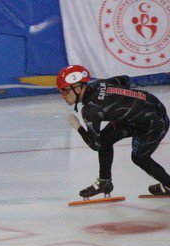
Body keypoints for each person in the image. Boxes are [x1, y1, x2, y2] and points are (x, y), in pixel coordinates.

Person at [57, 65, 170, 197]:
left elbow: (95, 145)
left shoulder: (90, 110)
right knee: (106, 138)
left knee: (139, 157)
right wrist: (124, 105)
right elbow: (124, 79)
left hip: (154, 123)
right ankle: (104, 182)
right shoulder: (99, 84)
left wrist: (78, 127)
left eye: (64, 91)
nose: (63, 96)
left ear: (76, 88)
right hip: (151, 107)